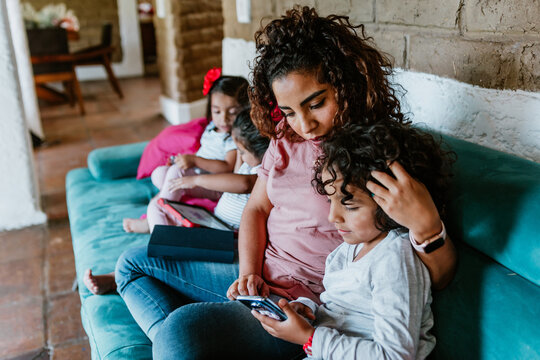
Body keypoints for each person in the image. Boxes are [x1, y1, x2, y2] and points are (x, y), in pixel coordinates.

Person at [121, 7, 457, 359]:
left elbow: (425, 274)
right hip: (251, 271)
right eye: (290, 111)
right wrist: (249, 274)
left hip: (302, 301)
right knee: (133, 262)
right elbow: (256, 206)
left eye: (317, 103)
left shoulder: (371, 152)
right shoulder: (285, 136)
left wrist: (427, 225)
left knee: (180, 333)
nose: (305, 125)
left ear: (347, 83)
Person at [250, 121, 454, 359]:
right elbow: (341, 308)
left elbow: (395, 355)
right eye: (330, 201)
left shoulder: (394, 258)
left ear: (391, 204)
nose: (332, 216)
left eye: (350, 205)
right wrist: (309, 310)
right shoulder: (347, 250)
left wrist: (310, 339)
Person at [84, 109, 267, 296]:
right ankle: (129, 269)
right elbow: (236, 174)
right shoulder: (248, 163)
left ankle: (117, 277)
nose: (240, 156)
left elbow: (244, 183)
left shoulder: (264, 172)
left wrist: (196, 181)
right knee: (164, 219)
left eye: (242, 152)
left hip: (228, 236)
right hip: (213, 224)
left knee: (172, 247)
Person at [122, 70, 249, 233]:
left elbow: (227, 166)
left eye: (232, 113)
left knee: (169, 182)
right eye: (217, 111)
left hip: (214, 184)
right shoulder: (211, 128)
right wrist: (183, 161)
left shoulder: (233, 137)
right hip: (197, 174)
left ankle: (160, 214)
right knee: (160, 173)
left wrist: (195, 161)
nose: (223, 118)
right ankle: (162, 211)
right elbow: (204, 154)